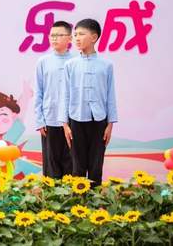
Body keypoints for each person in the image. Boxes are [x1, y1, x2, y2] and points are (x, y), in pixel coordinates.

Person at [61, 18, 117, 187]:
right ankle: (78, 200)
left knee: (96, 165)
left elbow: (110, 95)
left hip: (99, 120)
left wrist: (110, 124)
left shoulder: (106, 65)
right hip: (76, 119)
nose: (77, 38)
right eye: (75, 35)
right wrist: (64, 124)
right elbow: (65, 95)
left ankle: (95, 199)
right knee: (77, 166)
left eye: (81, 34)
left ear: (94, 37)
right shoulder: (70, 65)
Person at [34, 20, 74, 179]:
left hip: (72, 121)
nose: (54, 38)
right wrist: (39, 120)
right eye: (52, 35)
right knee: (51, 166)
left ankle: (71, 193)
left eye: (59, 35)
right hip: (50, 120)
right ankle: (51, 194)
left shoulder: (76, 60)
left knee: (71, 163)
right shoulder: (43, 62)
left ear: (70, 38)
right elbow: (39, 91)